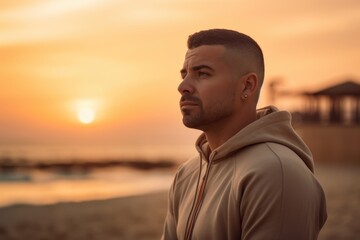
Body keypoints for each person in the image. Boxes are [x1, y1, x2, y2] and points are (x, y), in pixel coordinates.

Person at [161, 29, 327, 240]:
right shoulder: (187, 174)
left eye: (202, 74)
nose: (182, 86)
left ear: (247, 85)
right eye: (184, 75)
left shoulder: (277, 173)